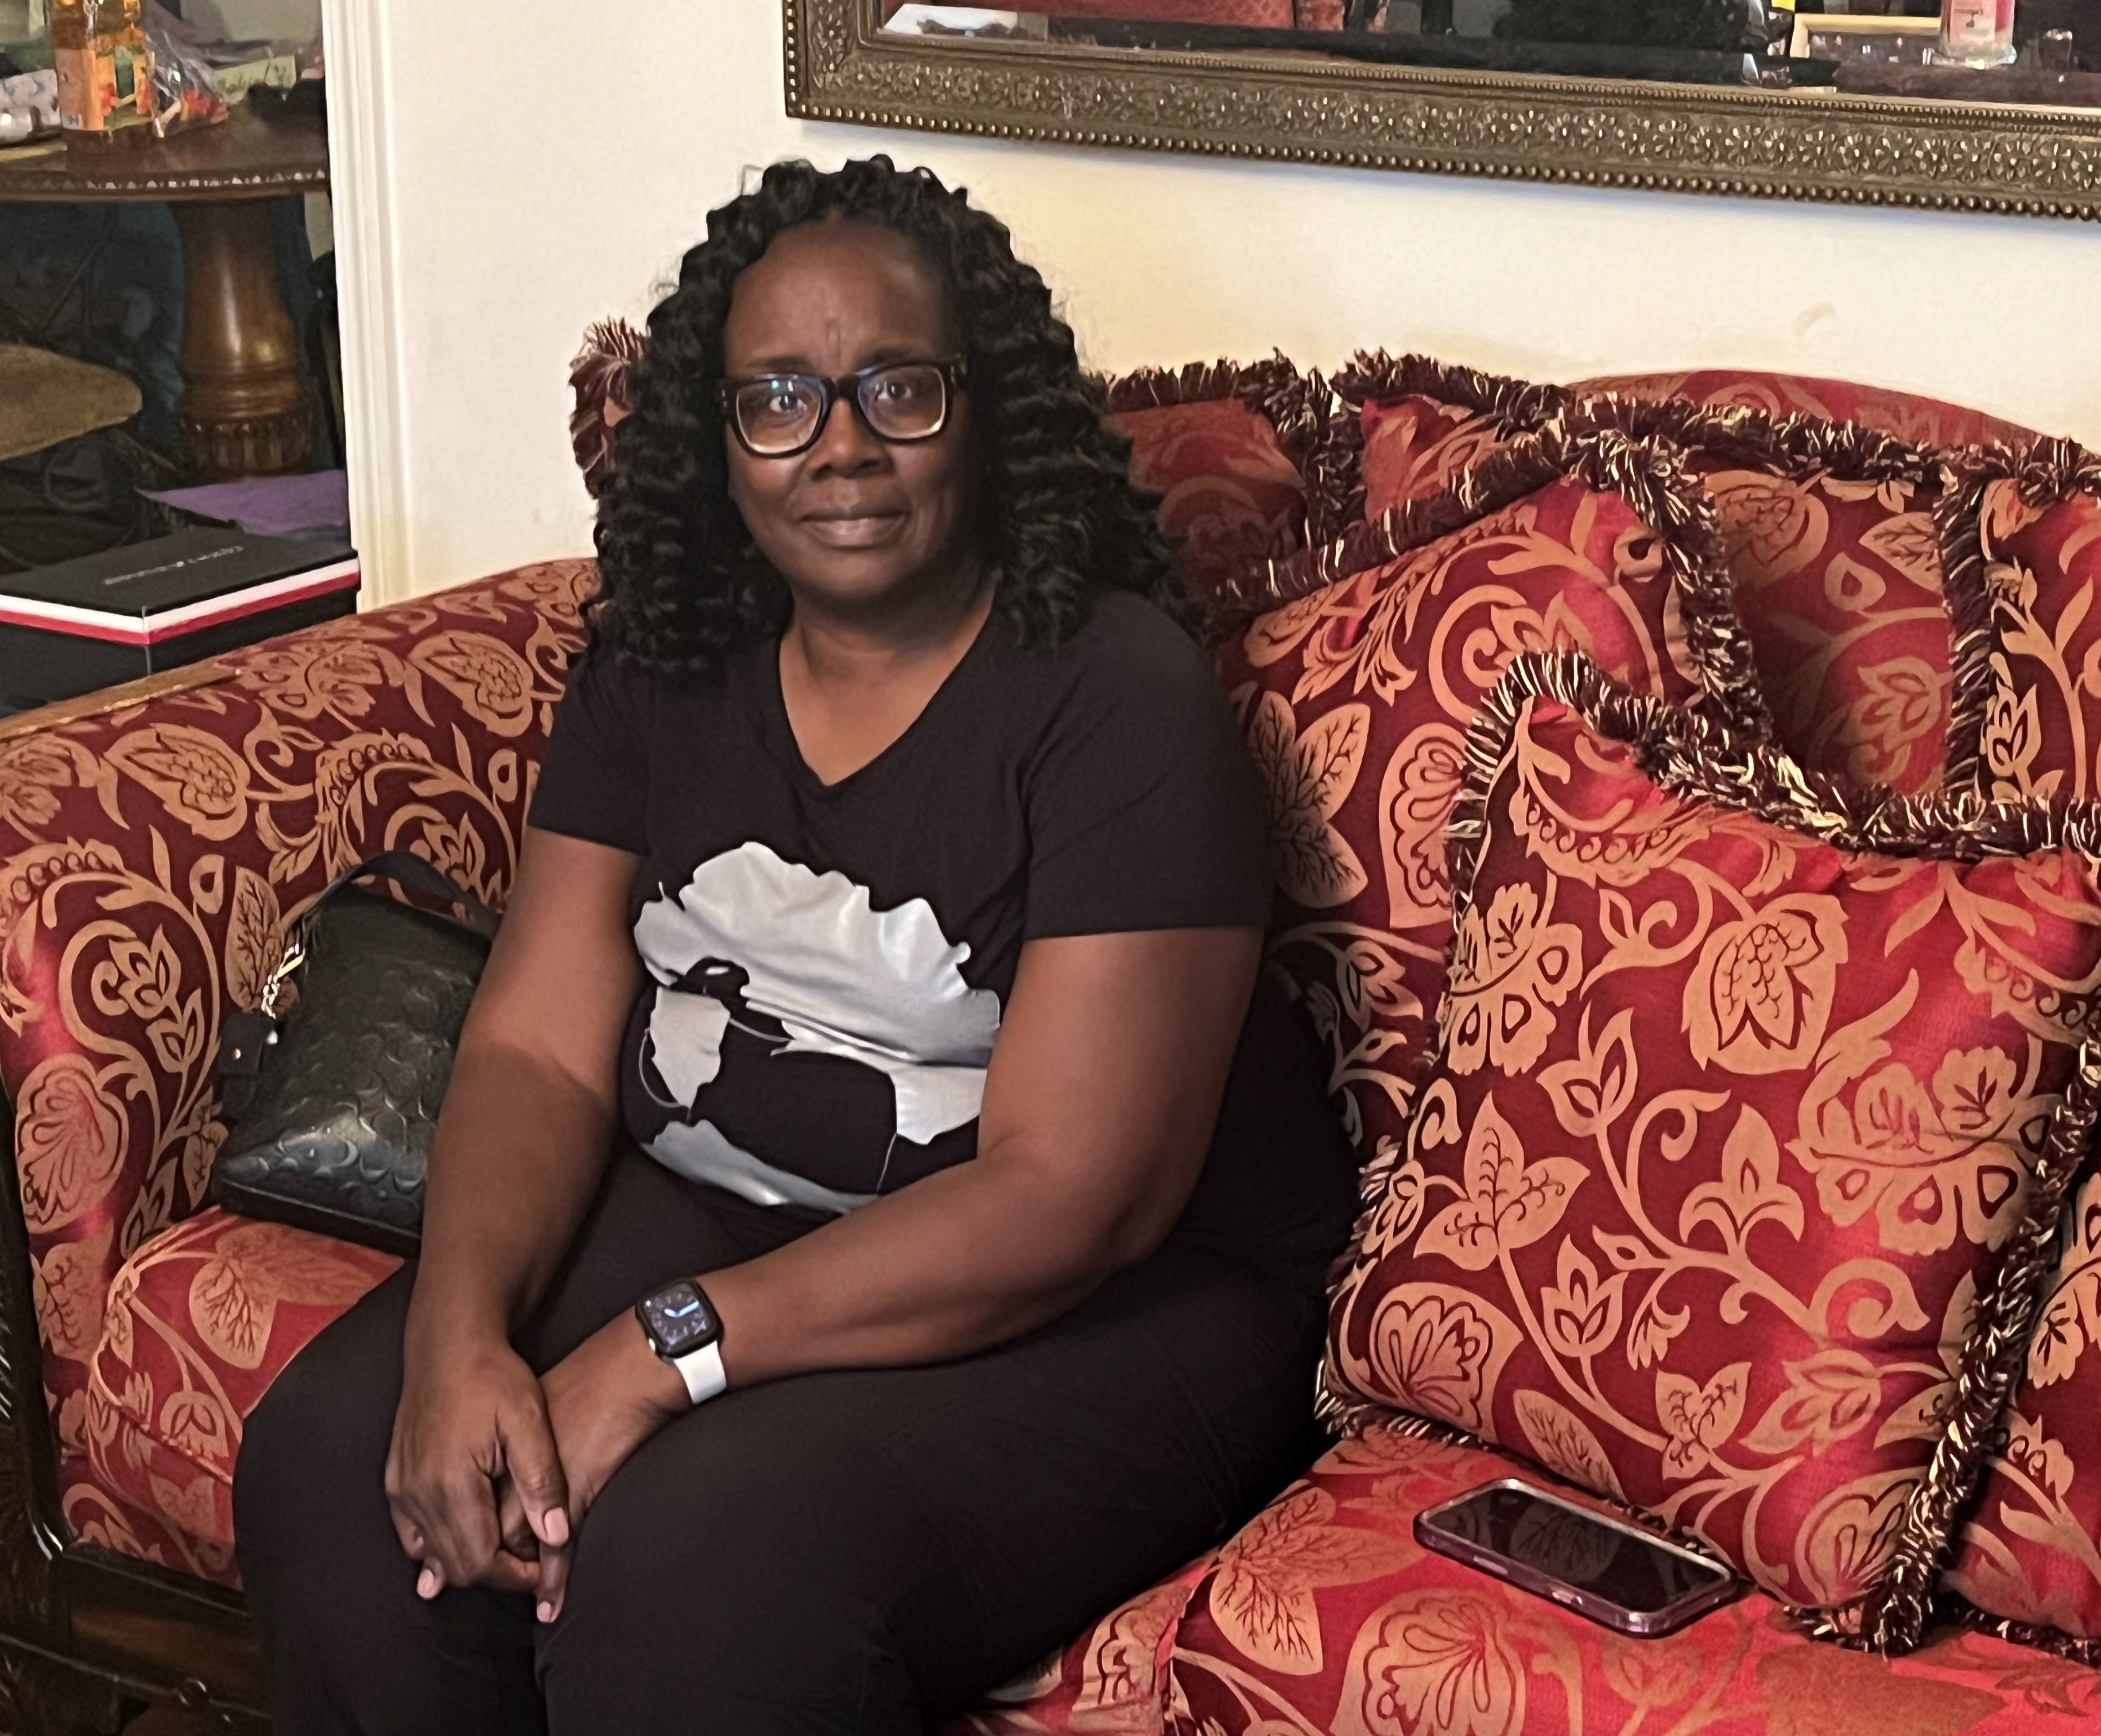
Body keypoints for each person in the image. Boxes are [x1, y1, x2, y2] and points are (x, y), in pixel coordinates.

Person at [232, 154, 1357, 1735]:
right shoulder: (667, 656)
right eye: (779, 400)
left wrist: (659, 1351)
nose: (841, 448)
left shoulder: (1113, 696)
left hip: (1128, 1297)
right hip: (741, 1197)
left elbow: (1069, 1195)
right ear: (719, 434)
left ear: (987, 408)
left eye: (896, 387)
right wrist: (455, 1337)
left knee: (700, 1568)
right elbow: (537, 1039)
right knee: (340, 1464)